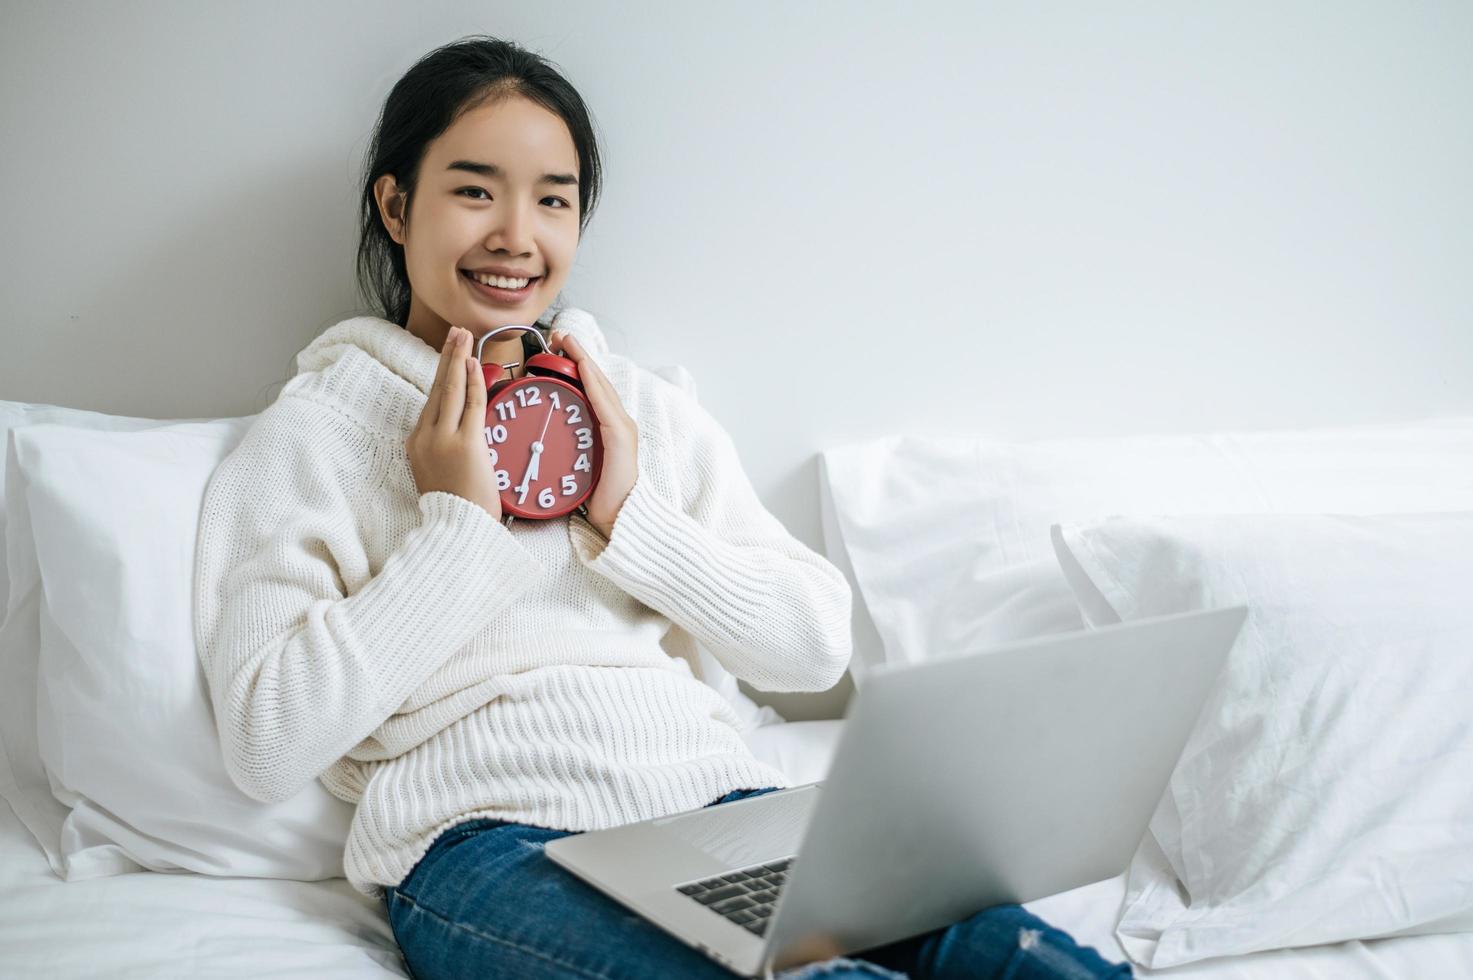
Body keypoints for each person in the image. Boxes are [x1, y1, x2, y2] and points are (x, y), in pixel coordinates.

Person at [193, 34, 1132, 980]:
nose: (517, 235)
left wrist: (630, 519)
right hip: (492, 844)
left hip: (720, 810)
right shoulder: (316, 434)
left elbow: (811, 647)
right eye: (475, 190)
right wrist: (456, 534)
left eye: (553, 199)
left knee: (1018, 955)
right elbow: (268, 741)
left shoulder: (633, 407)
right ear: (396, 206)